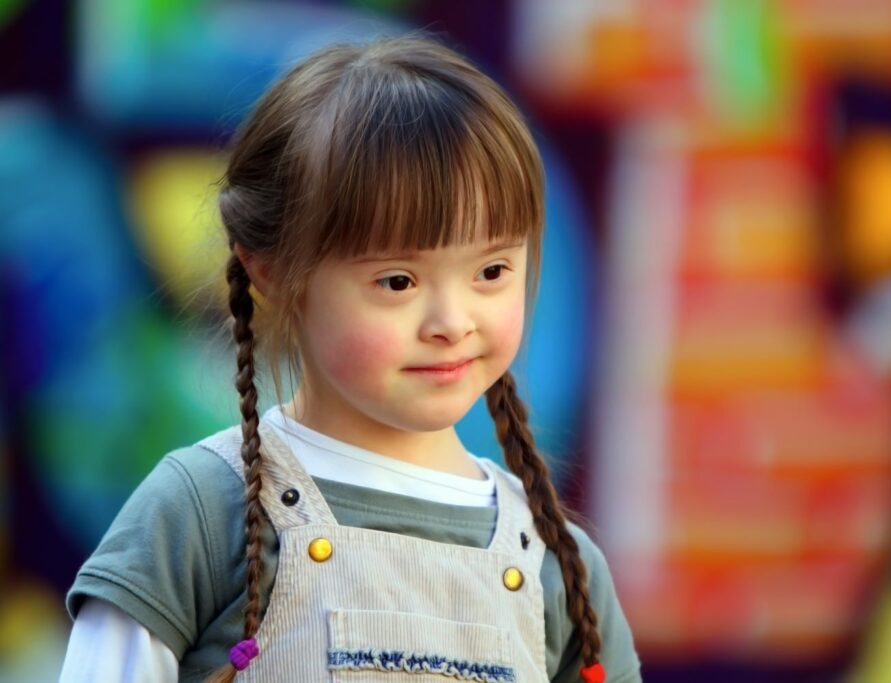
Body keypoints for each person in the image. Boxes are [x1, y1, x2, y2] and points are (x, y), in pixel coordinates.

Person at [60, 36, 641, 683]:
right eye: (398, 281)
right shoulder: (201, 511)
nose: (453, 322)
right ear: (274, 272)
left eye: (491, 270)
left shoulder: (560, 566)